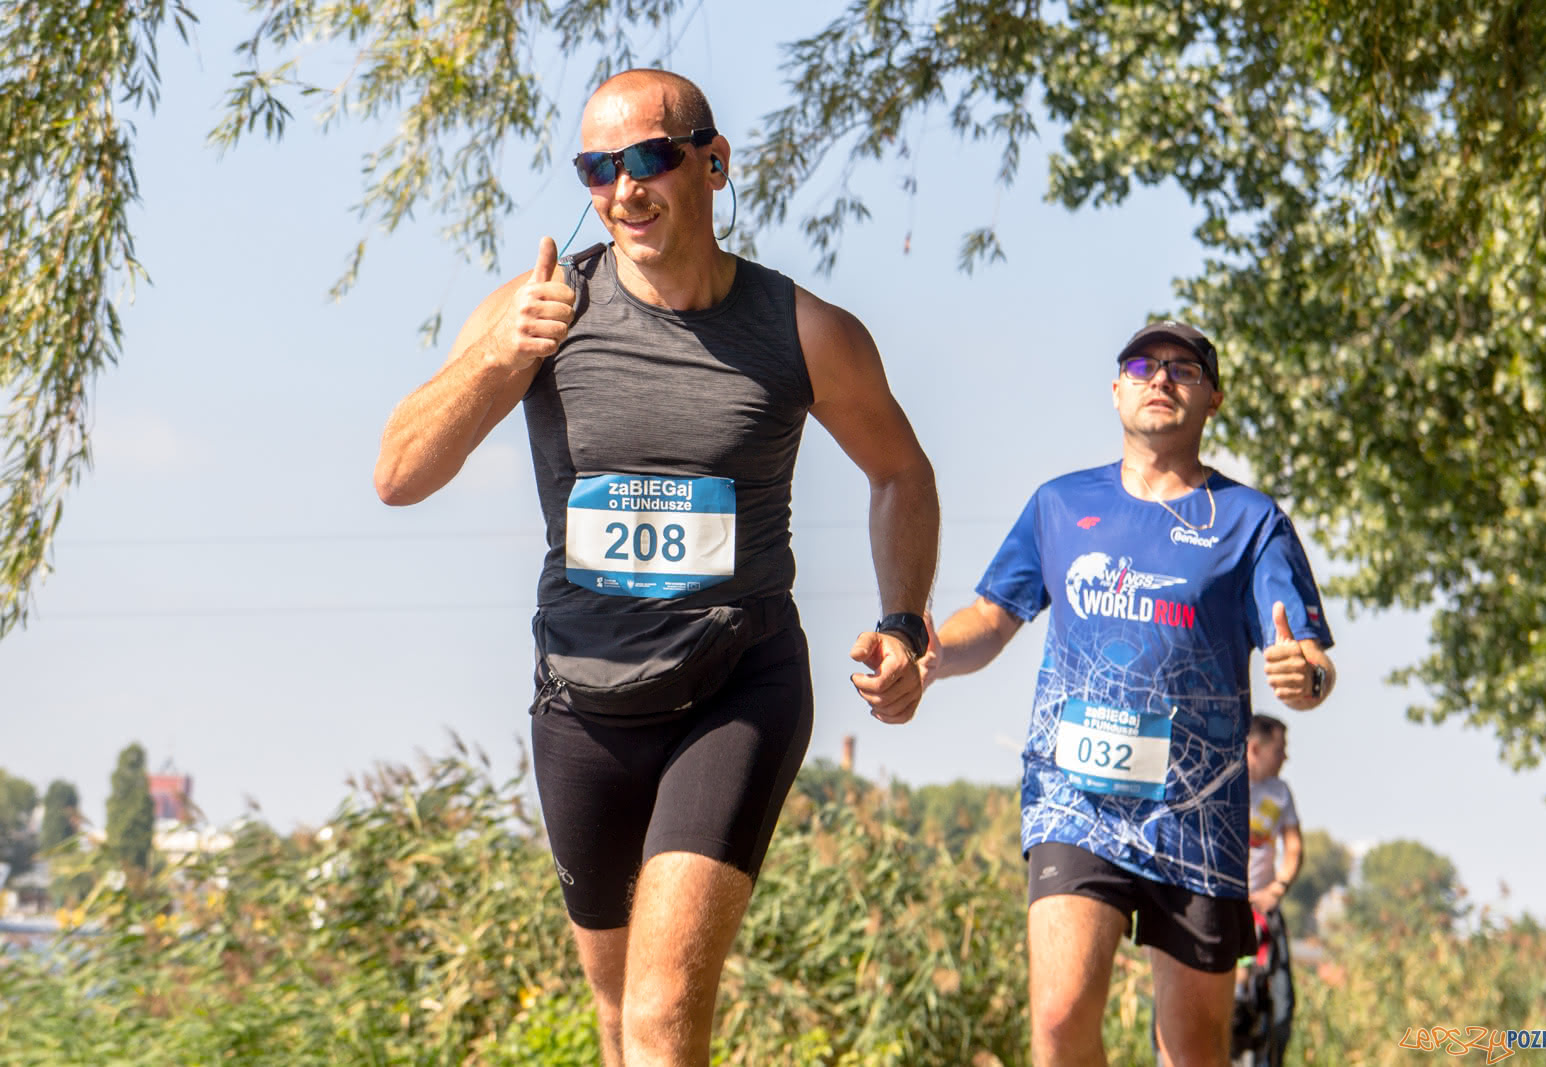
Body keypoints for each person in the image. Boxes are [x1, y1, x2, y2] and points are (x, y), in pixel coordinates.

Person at [373, 69, 939, 1067]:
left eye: (648, 159)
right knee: (615, 1017)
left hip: (737, 685)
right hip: (583, 698)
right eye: (598, 168)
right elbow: (399, 473)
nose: (623, 189)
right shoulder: (541, 309)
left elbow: (898, 471)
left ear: (711, 163)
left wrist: (903, 625)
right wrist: (497, 360)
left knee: (663, 1011)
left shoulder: (806, 332)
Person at [916, 320, 1335, 1067]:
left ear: (1213, 399)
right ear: (1116, 390)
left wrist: (1306, 678)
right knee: (1059, 1015)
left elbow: (1305, 658)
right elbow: (991, 614)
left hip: (1199, 813)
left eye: (1185, 367)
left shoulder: (1252, 522)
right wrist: (933, 652)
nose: (1161, 377)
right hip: (1075, 797)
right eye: (1143, 364)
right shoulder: (1059, 504)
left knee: (1194, 1048)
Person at [1238, 713, 1301, 1066]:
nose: (1285, 758)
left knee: (1281, 1003)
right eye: (1280, 750)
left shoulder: (1280, 793)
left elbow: (1294, 849)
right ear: (1255, 749)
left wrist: (1276, 889)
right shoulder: (1228, 784)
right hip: (1224, 906)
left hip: (1264, 909)